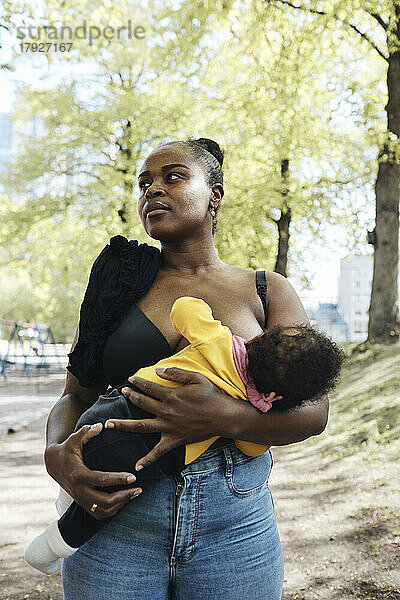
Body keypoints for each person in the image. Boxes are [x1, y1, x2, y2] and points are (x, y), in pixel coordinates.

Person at [43, 137, 330, 600]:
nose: (153, 189)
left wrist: (224, 418)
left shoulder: (266, 290)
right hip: (115, 524)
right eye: (145, 182)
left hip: (234, 529)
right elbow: (75, 395)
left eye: (174, 176)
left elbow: (314, 413)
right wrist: (57, 454)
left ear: (214, 193)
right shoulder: (117, 282)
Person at [25, 296, 343, 574]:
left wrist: (214, 321)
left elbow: (184, 309)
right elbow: (252, 448)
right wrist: (242, 414)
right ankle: (52, 545)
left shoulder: (220, 342)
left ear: (254, 342)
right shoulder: (256, 406)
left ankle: (67, 501)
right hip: (158, 459)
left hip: (119, 408)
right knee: (105, 503)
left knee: (89, 467)